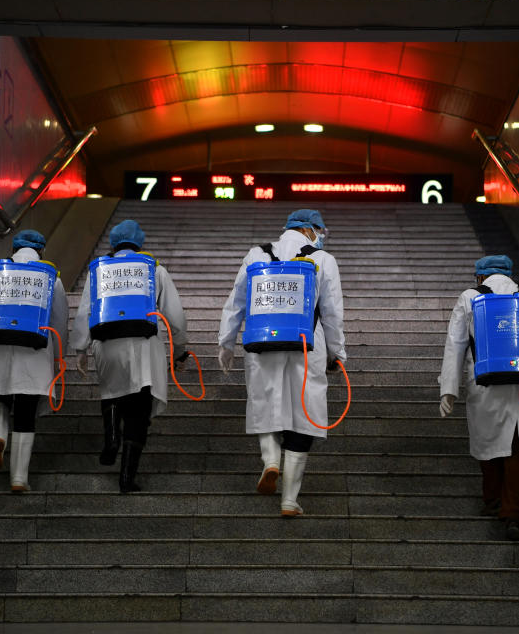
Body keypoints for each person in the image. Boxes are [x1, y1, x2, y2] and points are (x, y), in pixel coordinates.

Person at [218, 209, 347, 517]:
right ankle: (289, 500)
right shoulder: (322, 260)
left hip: (261, 341)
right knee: (304, 414)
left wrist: (226, 343)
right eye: (320, 231)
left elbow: (237, 301)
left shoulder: (256, 254)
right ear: (310, 230)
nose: (322, 236)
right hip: (306, 343)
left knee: (264, 401)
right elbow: (332, 313)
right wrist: (336, 354)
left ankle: (271, 460)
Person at [438, 254, 519, 541]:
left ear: (480, 277)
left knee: (490, 441)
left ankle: (493, 500)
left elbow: (455, 344)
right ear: (510, 274)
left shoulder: (470, 297)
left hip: (485, 383)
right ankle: (515, 517)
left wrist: (449, 389)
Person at [70, 219, 189, 493]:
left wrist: (80, 349)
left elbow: (85, 310)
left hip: (107, 344)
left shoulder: (98, 269)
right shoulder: (153, 268)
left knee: (112, 394)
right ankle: (126, 478)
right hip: (145, 345)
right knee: (139, 411)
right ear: (139, 241)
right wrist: (179, 351)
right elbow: (176, 316)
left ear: (113, 242)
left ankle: (111, 437)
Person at [0, 229, 68, 492]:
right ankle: (19, 478)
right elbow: (59, 322)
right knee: (25, 411)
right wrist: (58, 358)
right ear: (41, 250)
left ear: (14, 248)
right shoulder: (50, 277)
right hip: (34, 350)